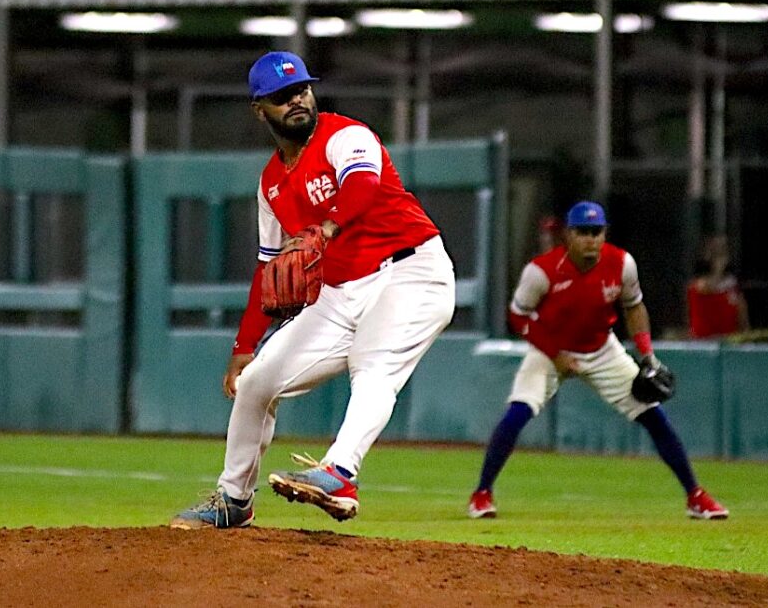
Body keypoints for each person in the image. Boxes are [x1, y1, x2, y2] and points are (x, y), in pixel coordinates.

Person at [172, 52, 456, 529]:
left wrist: (326, 227)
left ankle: (341, 473)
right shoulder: (270, 185)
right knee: (257, 382)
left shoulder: (346, 136)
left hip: (411, 271)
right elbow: (267, 268)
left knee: (373, 364)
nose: (298, 100)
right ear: (260, 109)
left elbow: (362, 188)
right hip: (341, 293)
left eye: (301, 89)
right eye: (283, 96)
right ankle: (233, 500)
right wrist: (244, 346)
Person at [467, 201, 729, 521]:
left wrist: (647, 355)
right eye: (582, 232)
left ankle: (695, 496)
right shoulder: (542, 271)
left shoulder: (621, 263)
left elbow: (634, 307)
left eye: (596, 232)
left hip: (602, 348)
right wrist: (555, 354)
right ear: (568, 235)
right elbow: (518, 316)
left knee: (654, 416)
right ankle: (482, 493)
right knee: (518, 412)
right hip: (551, 347)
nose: (591, 239)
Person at [686, 234, 750, 338]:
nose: (720, 257)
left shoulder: (733, 287)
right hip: (702, 346)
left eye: (723, 252)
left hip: (729, 345)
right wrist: (717, 269)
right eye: (716, 253)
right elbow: (707, 289)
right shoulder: (697, 286)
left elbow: (743, 320)